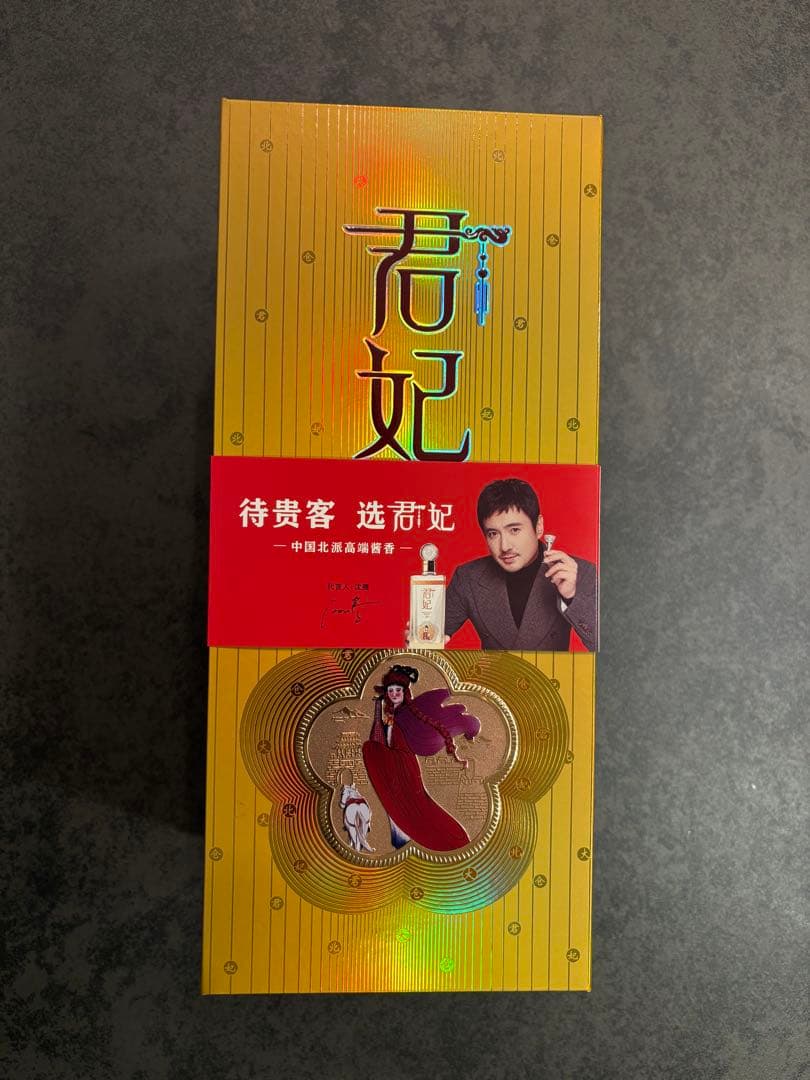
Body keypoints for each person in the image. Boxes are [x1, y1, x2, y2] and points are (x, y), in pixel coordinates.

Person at [443, 478, 598, 651]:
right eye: (493, 534)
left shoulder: (576, 572)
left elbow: (603, 646)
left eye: (514, 530)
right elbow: (431, 632)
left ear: (538, 526)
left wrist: (571, 597)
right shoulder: (468, 578)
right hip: (494, 669)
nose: (504, 546)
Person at [361, 665, 480, 851]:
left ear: (405, 692)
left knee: (417, 806)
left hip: (404, 767)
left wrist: (376, 751)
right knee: (398, 805)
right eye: (391, 690)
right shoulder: (390, 717)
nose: (394, 694)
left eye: (398, 690)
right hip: (394, 766)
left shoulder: (407, 715)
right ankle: (400, 838)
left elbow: (400, 744)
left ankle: (449, 839)